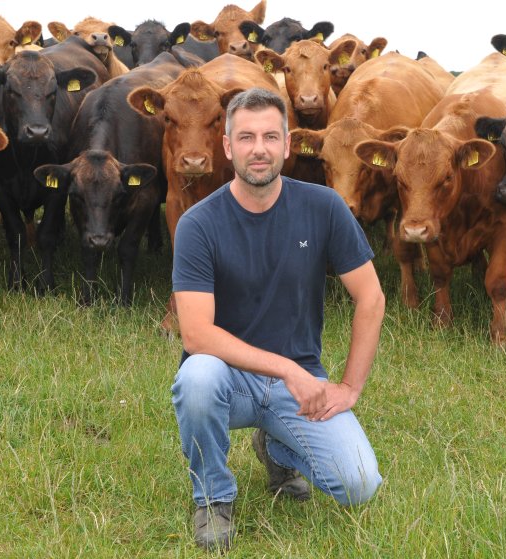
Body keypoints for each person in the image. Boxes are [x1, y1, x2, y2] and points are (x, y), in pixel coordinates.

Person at [170, 87, 385, 552]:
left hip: (299, 388)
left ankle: (278, 449)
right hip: (231, 380)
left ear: (289, 145)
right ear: (227, 148)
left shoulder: (323, 207)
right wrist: (289, 369)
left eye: (270, 136)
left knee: (359, 486)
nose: (259, 149)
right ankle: (213, 496)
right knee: (197, 377)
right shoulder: (198, 224)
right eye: (245, 138)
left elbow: (370, 298)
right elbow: (196, 333)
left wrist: (350, 387)